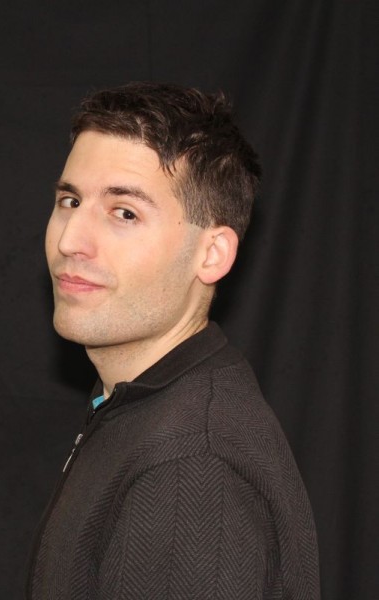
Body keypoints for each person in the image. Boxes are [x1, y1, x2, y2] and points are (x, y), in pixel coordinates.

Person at [26, 82, 320, 599]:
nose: (70, 240)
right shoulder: (139, 402)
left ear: (212, 254)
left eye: (124, 212)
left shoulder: (191, 466)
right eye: (70, 200)